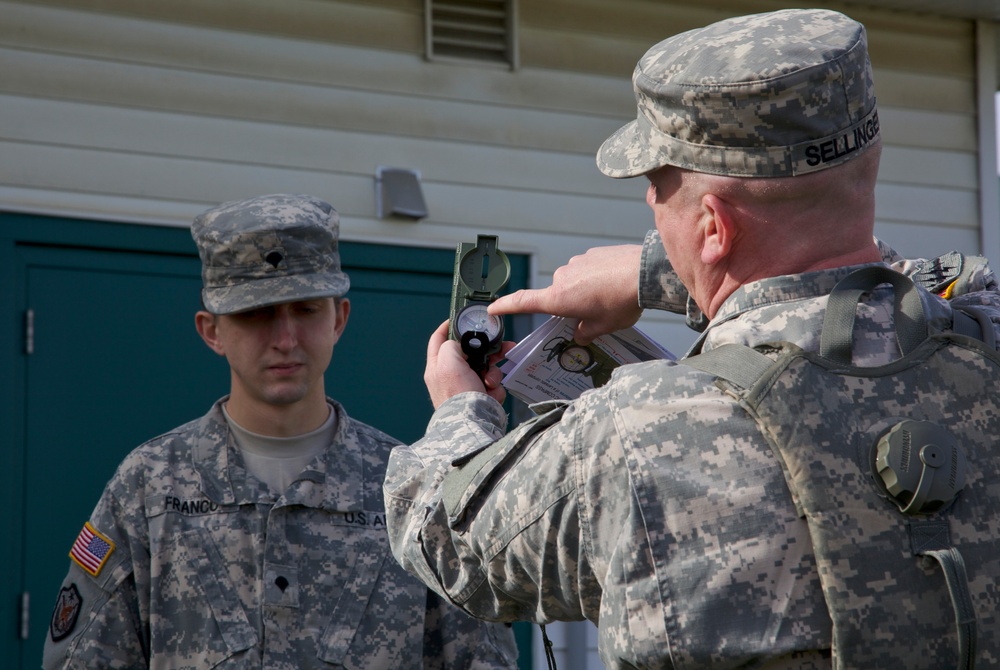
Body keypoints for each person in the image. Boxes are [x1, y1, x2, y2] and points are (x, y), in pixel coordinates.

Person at [383, 9, 1000, 669]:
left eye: (657, 185)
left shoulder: (634, 433)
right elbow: (948, 279)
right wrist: (670, 273)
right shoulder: (981, 338)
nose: (651, 203)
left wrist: (458, 410)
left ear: (713, 225)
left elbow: (449, 538)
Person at [42, 194, 518, 669]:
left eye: (306, 309)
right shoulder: (147, 486)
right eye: (256, 313)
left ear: (339, 319)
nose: (285, 339)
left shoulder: (415, 487)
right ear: (212, 331)